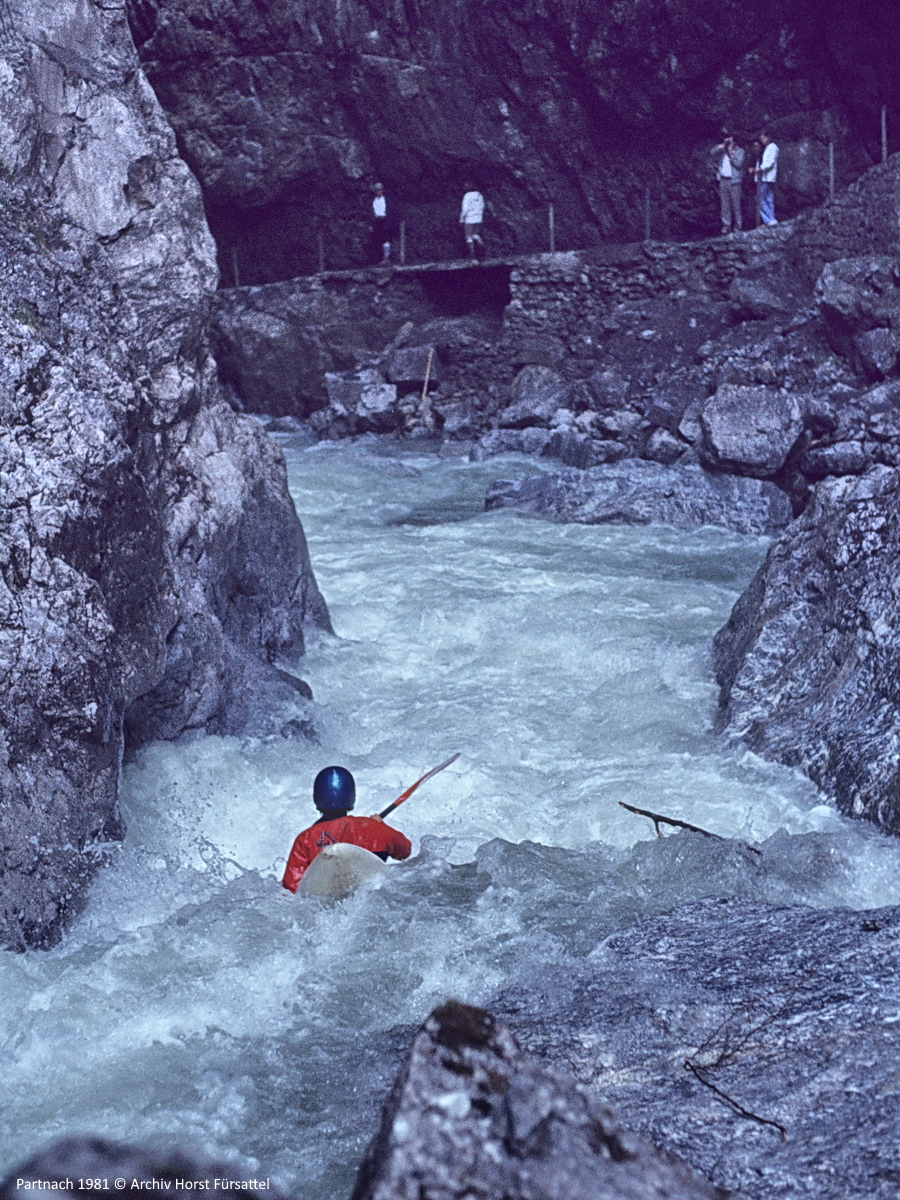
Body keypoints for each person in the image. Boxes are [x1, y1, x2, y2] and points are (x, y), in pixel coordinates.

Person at [282, 766, 412, 892]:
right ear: (351, 795)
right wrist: (379, 827)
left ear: (317, 797)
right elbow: (404, 851)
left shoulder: (306, 838)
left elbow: (292, 887)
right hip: (370, 898)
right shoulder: (375, 828)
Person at [710, 134, 745, 234]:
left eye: (731, 141)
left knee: (736, 205)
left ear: (735, 142)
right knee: (725, 205)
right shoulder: (722, 151)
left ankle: (738, 226)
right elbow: (712, 153)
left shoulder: (740, 151)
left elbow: (739, 164)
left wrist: (731, 155)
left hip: (734, 181)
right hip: (723, 180)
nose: (730, 144)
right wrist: (722, 145)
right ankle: (726, 225)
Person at [753, 131, 779, 226]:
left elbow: (770, 162)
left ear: (768, 137)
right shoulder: (767, 148)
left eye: (764, 138)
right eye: (761, 139)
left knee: (759, 198)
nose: (762, 140)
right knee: (768, 198)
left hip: (767, 177)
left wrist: (760, 168)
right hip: (765, 177)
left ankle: (769, 219)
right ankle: (771, 218)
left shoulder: (773, 147)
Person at [370, 182, 395, 265]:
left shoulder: (387, 200)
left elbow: (391, 212)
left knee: (386, 239)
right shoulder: (373, 201)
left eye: (380, 190)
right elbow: (371, 213)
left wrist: (390, 222)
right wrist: (371, 224)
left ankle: (386, 258)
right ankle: (378, 259)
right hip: (377, 222)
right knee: (377, 241)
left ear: (382, 190)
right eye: (377, 190)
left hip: (385, 221)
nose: (378, 191)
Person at [459, 182, 485, 259]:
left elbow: (465, 209)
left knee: (468, 236)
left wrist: (461, 219)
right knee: (475, 235)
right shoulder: (479, 195)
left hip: (469, 219)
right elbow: (482, 207)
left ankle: (472, 254)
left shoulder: (467, 196)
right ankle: (482, 246)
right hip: (478, 218)